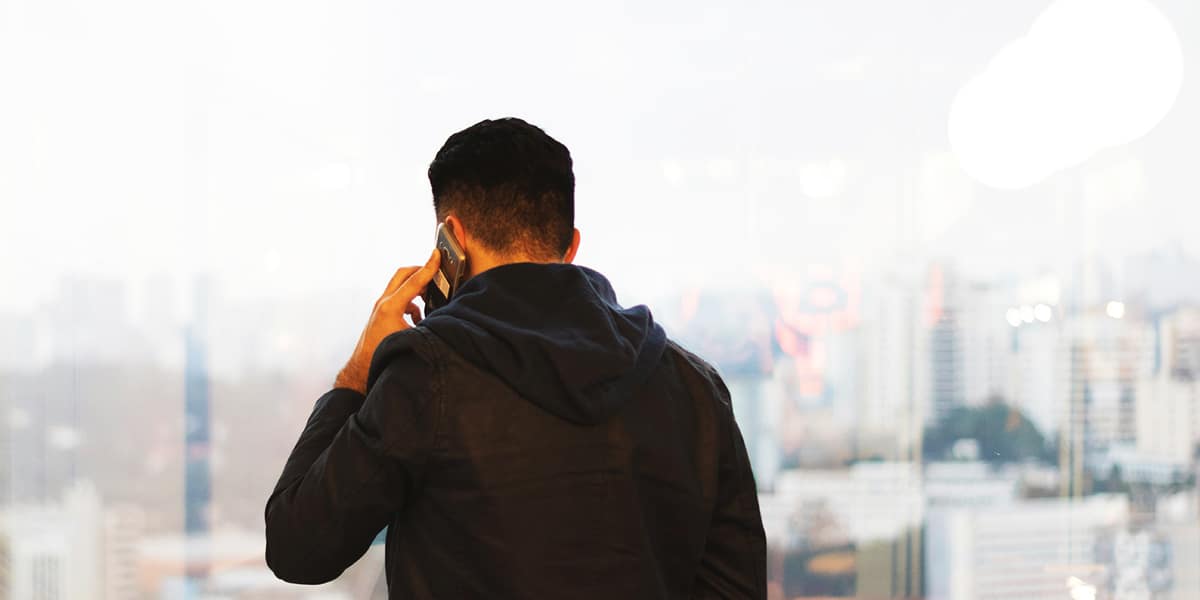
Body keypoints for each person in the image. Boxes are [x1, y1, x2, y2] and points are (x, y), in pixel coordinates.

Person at [264, 117, 766, 599]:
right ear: (571, 246)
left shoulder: (424, 377)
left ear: (451, 239)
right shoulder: (695, 387)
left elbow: (297, 546)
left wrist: (358, 371)